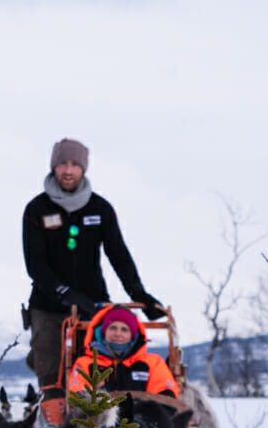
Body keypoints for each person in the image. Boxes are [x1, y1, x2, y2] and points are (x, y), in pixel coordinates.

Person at [22, 138, 166, 402]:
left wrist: (141, 296)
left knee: (97, 370)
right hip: (48, 307)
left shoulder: (100, 209)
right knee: (52, 372)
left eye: (74, 164)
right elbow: (35, 264)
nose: (68, 170)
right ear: (53, 167)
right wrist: (63, 292)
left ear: (83, 169)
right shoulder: (36, 209)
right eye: (62, 163)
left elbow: (119, 255)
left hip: (93, 306)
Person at [67, 303, 194, 428]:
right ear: (103, 331)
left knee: (156, 417)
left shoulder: (152, 363)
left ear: (133, 334)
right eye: (113, 328)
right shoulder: (86, 363)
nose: (118, 333)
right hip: (102, 420)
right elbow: (78, 396)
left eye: (124, 329)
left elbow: (166, 398)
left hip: (144, 419)